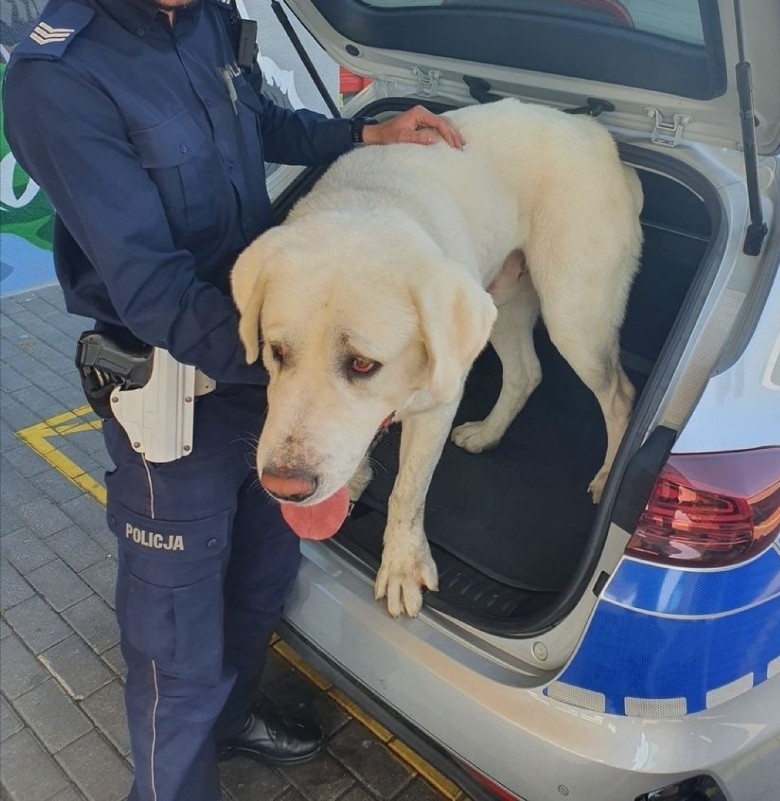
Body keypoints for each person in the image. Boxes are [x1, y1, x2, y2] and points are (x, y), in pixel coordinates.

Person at [2, 0, 464, 799]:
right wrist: (314, 371)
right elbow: (152, 290)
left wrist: (362, 135)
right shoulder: (58, 76)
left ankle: (235, 720)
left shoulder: (209, 18)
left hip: (274, 377)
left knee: (261, 578)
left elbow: (265, 123)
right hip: (177, 392)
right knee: (174, 639)